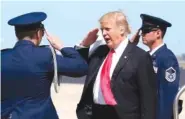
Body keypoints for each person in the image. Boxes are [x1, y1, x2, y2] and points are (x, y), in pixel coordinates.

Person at [1, 12, 88, 119]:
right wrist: (61, 47)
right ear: (39, 33)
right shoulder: (44, 56)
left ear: (16, 34)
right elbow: (80, 67)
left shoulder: (2, 56)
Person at [76, 11, 157, 119]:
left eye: (107, 29)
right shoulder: (99, 52)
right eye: (102, 29)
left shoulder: (139, 57)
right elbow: (79, 66)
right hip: (96, 114)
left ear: (121, 30)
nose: (104, 33)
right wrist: (84, 45)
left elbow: (148, 99)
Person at [130, 14, 181, 119]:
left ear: (158, 33)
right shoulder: (146, 56)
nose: (142, 35)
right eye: (141, 31)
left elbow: (167, 96)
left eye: (146, 31)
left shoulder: (166, 58)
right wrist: (130, 46)